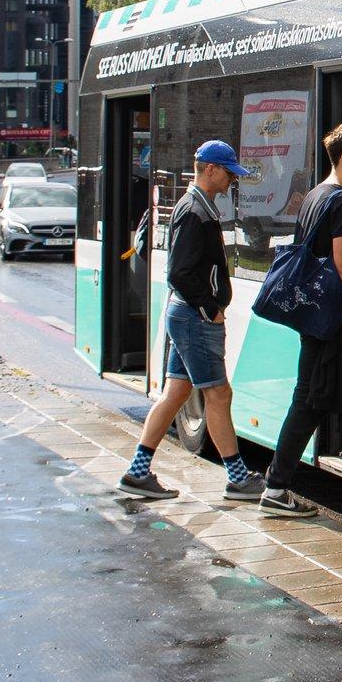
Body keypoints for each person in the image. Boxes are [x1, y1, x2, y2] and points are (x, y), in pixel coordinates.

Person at [118, 140, 261, 500]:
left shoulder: (197, 206)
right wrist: (210, 308)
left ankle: (137, 472)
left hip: (185, 315)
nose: (232, 180)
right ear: (210, 169)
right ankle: (238, 479)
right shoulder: (194, 210)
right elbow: (179, 272)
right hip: (194, 319)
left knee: (177, 392)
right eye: (228, 172)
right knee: (219, 394)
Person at [259, 123, 342, 517]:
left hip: (313, 311)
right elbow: (341, 264)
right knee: (310, 400)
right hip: (331, 314)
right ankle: (275, 488)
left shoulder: (315, 195)